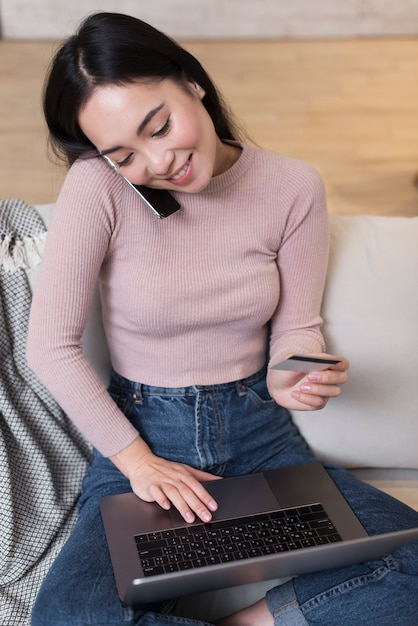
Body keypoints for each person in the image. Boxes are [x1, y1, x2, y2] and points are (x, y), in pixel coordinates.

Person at [27, 11, 418, 626]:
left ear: (192, 83)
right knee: (69, 615)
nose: (158, 162)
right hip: (144, 443)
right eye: (124, 153)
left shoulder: (291, 186)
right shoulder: (97, 188)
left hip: (260, 437)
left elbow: (295, 330)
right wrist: (138, 462)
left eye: (159, 126)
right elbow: (49, 346)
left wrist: (298, 375)